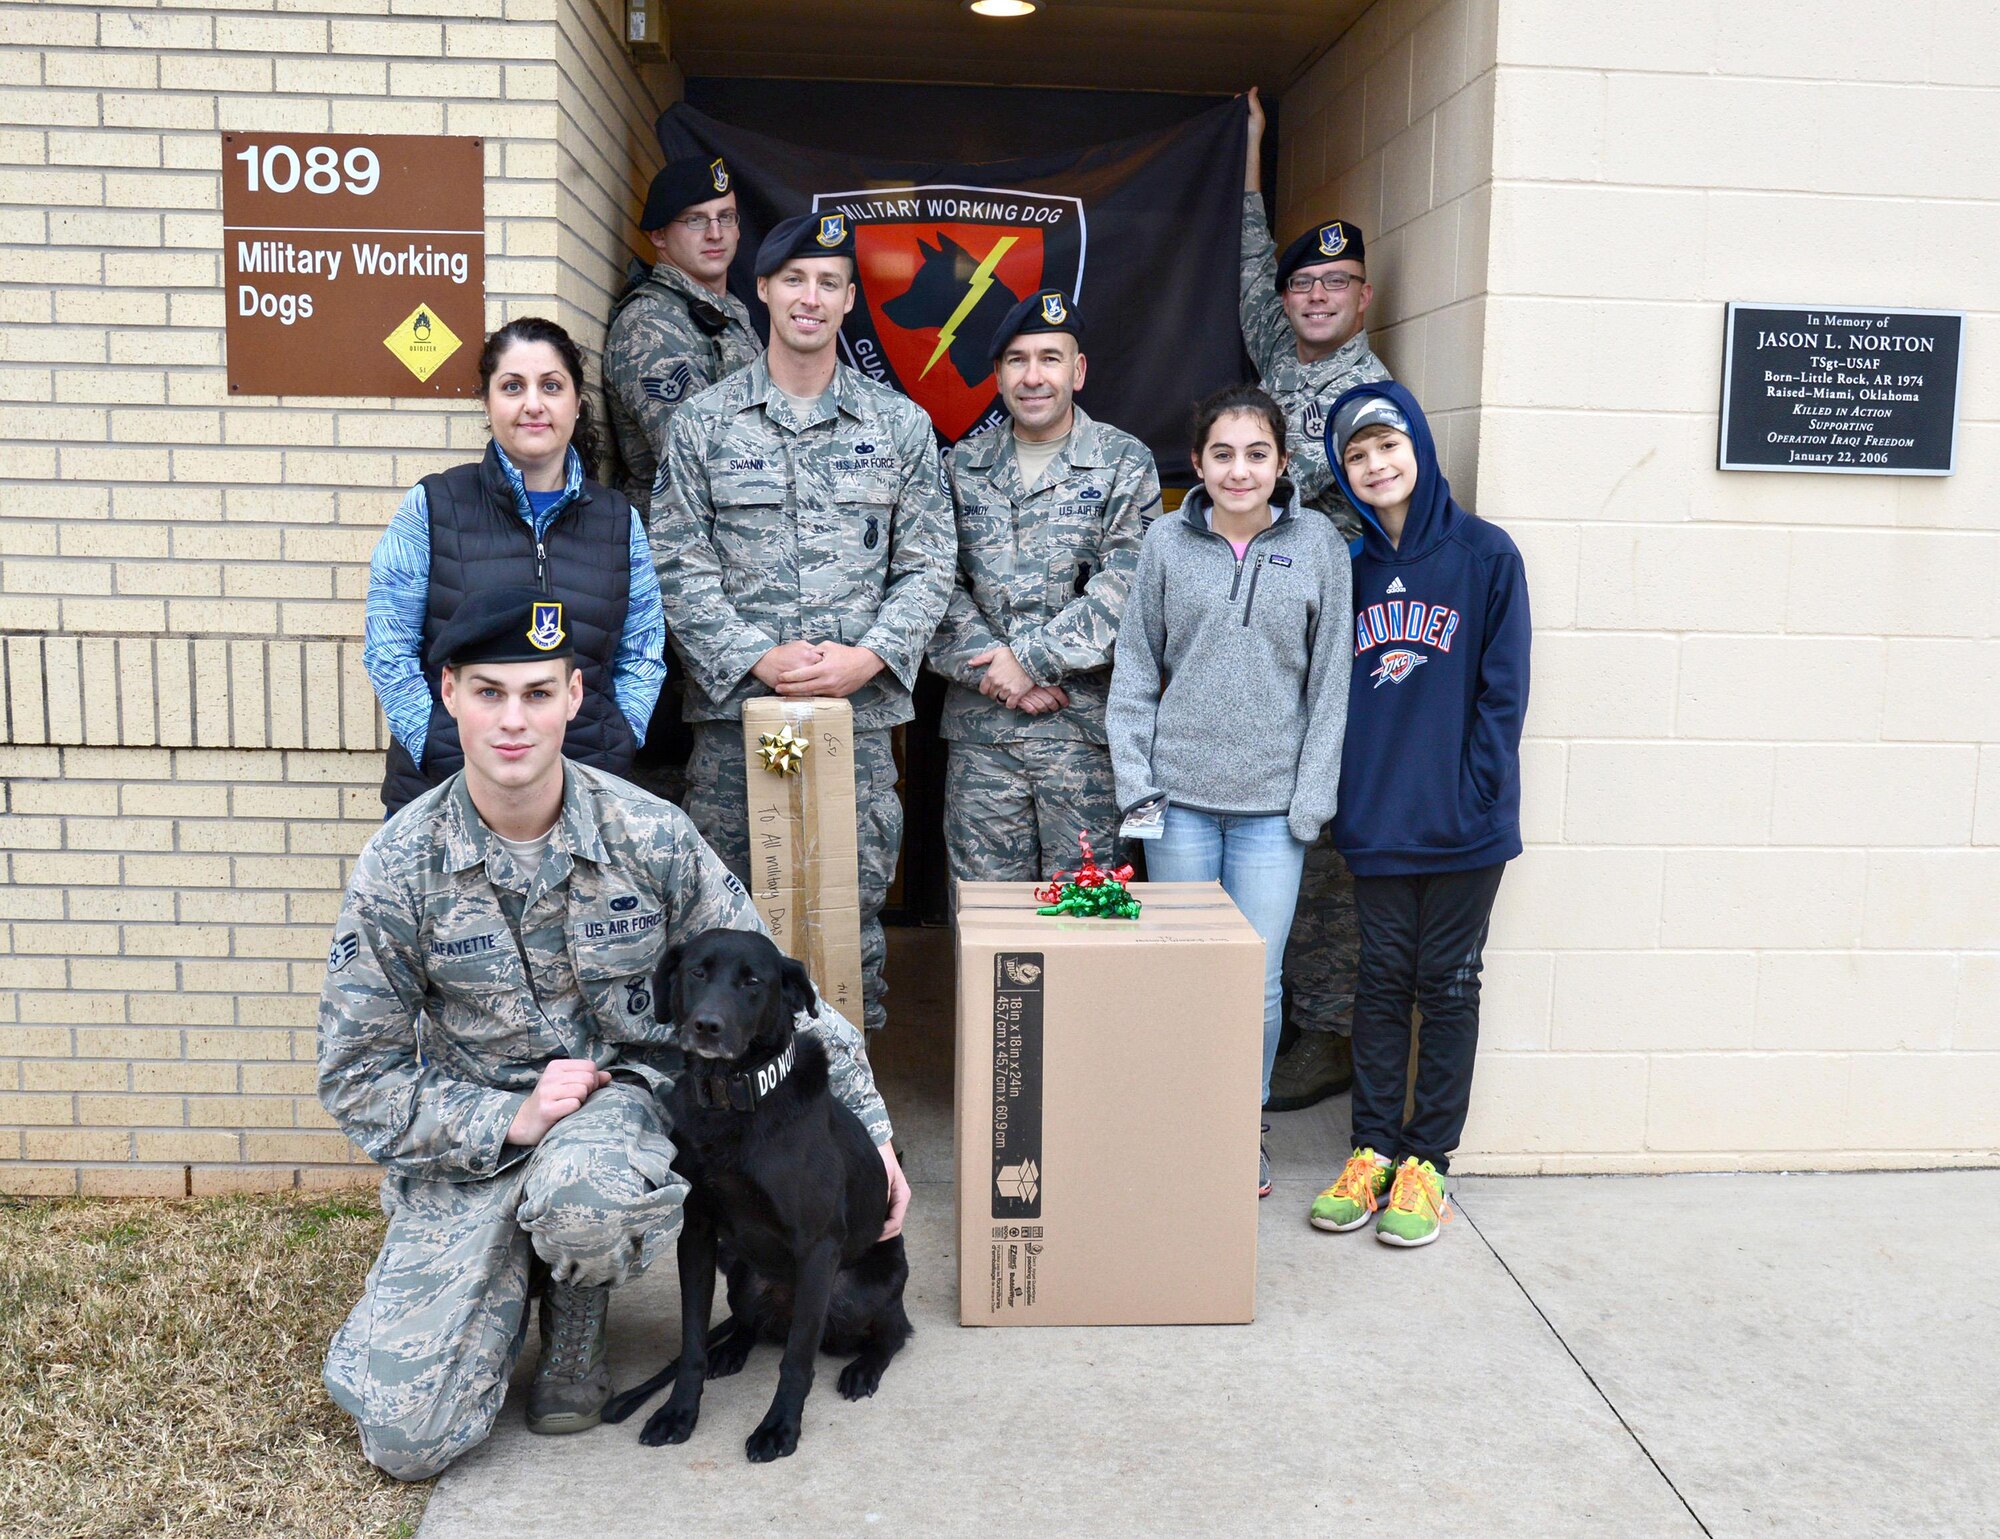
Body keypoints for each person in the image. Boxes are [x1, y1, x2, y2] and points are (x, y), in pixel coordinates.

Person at [318, 586, 910, 1479]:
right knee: (407, 1437)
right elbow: (356, 1075)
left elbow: (782, 987)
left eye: (537, 693)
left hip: (611, 1112)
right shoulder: (399, 865)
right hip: (475, 1130)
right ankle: (496, 1274)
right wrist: (505, 1119)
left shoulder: (650, 834)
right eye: (489, 692)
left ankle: (576, 1313)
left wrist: (872, 1128)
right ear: (448, 694)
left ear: (574, 698)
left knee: (588, 1191)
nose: (513, 721)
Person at [652, 213, 956, 1033]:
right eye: (794, 279)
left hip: (851, 729)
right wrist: (756, 656)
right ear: (763, 289)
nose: (810, 297)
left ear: (851, 300)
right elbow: (677, 563)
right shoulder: (705, 424)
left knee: (846, 927)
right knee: (725, 925)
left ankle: (850, 1126)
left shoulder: (899, 426)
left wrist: (871, 658)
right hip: (735, 727)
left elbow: (929, 562)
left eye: (828, 282)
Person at [1107, 386, 1352, 1198]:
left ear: (1282, 463)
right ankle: (1181, 1119)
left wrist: (1309, 801)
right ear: (1199, 463)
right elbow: (1136, 671)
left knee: (1257, 980)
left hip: (1270, 813)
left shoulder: (1318, 544)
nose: (1239, 469)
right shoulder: (1166, 546)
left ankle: (1237, 1127)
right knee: (1182, 971)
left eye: (1256, 454)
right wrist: (1138, 792)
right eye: (1222, 453)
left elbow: (1332, 687)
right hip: (1177, 806)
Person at [1307, 383, 1529, 1248]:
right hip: (1379, 819)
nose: (1375, 465)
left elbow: (1502, 694)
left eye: (1387, 447)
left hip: (1465, 822)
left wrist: (1475, 791)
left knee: (1448, 985)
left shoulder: (1484, 555)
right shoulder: (1348, 568)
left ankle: (1427, 1161)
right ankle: (1371, 1150)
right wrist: (1351, 796)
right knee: (1381, 983)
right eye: (1356, 456)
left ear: (1420, 447)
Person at [1241, 85, 1393, 1114]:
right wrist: (1247, 151)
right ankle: (1281, 1013)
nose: (1314, 296)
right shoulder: (1274, 350)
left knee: (1318, 842)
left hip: (1326, 642)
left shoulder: (1362, 396)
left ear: (1361, 299)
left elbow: (1370, 518)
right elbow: (1252, 267)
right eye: (1305, 284)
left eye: (1336, 284)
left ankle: (1324, 1031)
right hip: (1268, 644)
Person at [365, 317, 665, 817]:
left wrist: (620, 738)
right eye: (512, 387)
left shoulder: (617, 519)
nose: (533, 404)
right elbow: (388, 648)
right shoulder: (434, 505)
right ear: (487, 403)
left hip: (587, 791)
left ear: (575, 402)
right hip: (446, 794)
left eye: (551, 386)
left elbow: (643, 650)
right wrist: (436, 744)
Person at [927, 290, 1157, 882]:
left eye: (1050, 358)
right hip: (984, 739)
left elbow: (1129, 586)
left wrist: (1029, 662)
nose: (1034, 376)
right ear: (998, 374)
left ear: (1077, 371)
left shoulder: (1123, 461)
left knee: (1090, 923)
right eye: (1017, 360)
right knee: (986, 929)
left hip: (1085, 737)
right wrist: (1001, 681)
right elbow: (932, 584)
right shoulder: (961, 466)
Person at [603, 155, 760, 520]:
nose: (715, 233)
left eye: (726, 217)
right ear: (658, 234)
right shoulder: (651, 326)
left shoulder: (726, 313)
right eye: (695, 220)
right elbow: (696, 459)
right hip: (678, 550)